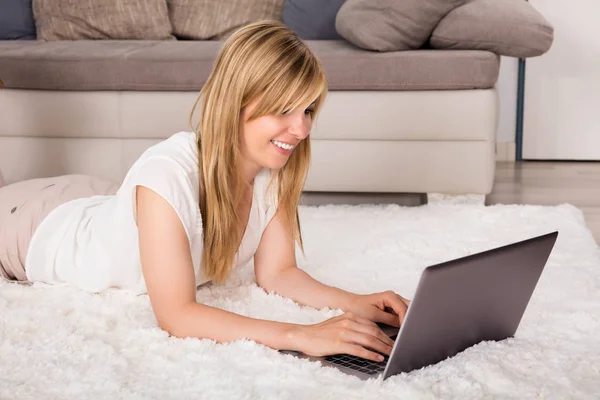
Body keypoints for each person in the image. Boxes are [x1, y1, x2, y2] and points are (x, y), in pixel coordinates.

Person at [0, 21, 410, 363]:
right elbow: (177, 315)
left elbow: (278, 273)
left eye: (307, 110)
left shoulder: (272, 169)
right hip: (31, 227)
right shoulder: (167, 174)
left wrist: (358, 303)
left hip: (92, 200)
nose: (301, 129)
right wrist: (302, 335)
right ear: (237, 103)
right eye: (283, 110)